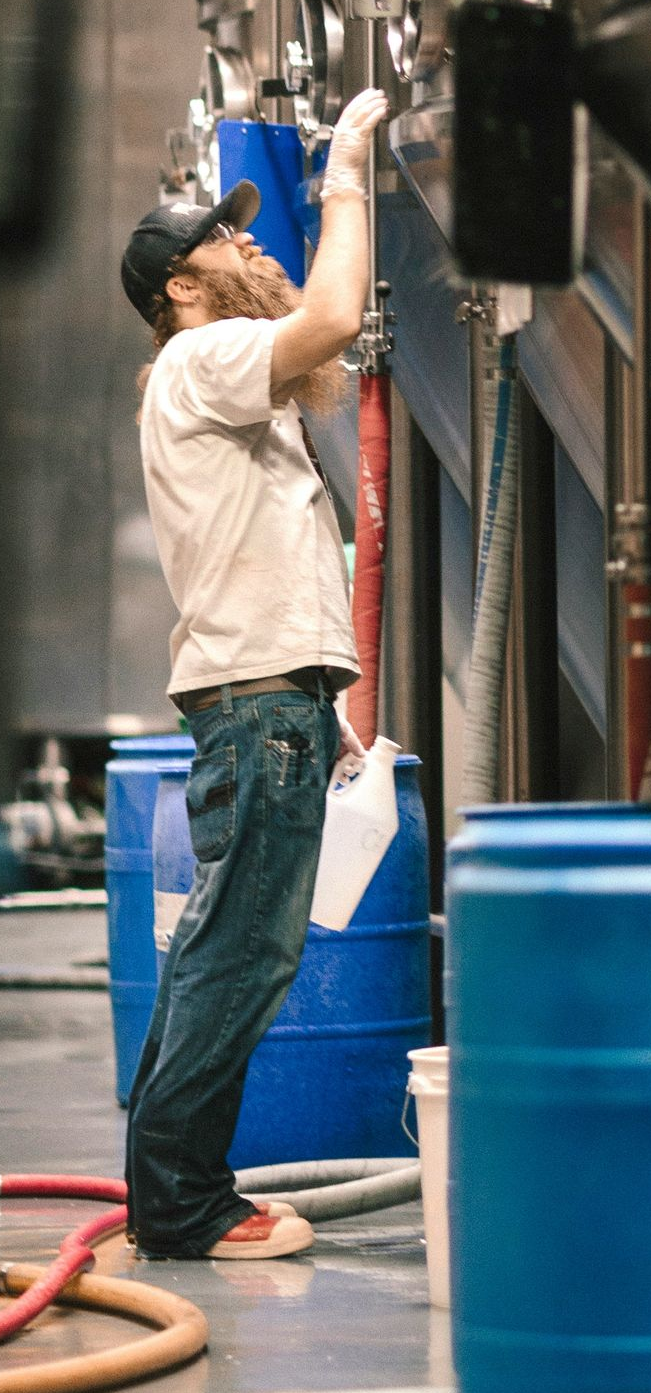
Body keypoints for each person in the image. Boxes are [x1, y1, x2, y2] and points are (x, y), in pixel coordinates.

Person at [118, 86, 389, 1260]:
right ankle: (186, 1207)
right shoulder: (208, 355)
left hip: (267, 701)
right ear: (181, 285)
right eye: (223, 238)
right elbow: (332, 316)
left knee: (215, 952)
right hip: (256, 706)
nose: (246, 244)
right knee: (242, 953)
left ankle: (169, 1195)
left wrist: (315, 701)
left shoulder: (212, 381)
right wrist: (346, 177)